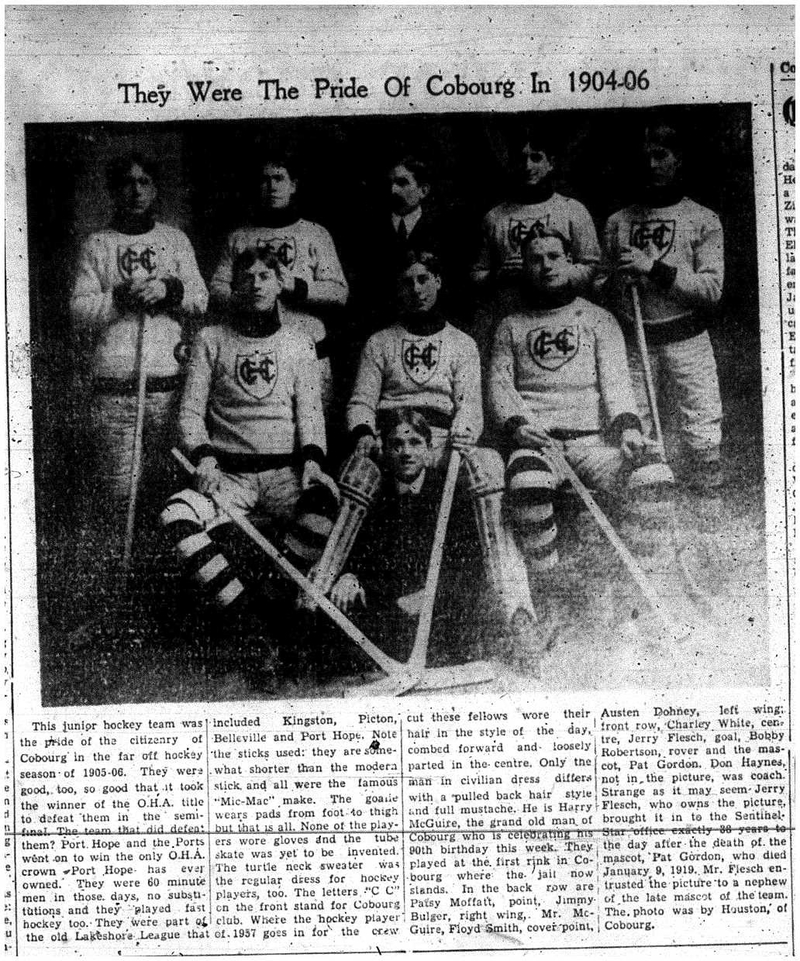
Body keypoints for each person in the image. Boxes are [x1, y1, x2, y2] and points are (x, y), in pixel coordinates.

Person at [319, 252, 540, 666]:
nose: (416, 289)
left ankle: (515, 610)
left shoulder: (461, 343)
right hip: (393, 440)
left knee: (488, 466)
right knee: (358, 471)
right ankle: (320, 595)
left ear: (438, 282)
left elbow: (469, 405)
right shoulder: (380, 341)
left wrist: (463, 432)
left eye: (424, 280)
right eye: (407, 282)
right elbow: (361, 402)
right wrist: (366, 434)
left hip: (440, 440)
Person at [160, 249, 338, 630]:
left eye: (265, 276)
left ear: (280, 283)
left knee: (326, 499)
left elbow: (310, 412)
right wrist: (205, 459)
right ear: (234, 287)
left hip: (283, 476)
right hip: (229, 478)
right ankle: (250, 622)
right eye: (246, 277)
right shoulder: (211, 339)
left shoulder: (297, 342)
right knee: (175, 514)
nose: (256, 284)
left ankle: (276, 596)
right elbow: (190, 412)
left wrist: (311, 463)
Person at [488, 229, 670, 579]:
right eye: (535, 259)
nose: (545, 266)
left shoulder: (598, 318)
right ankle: (550, 580)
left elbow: (617, 382)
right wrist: (518, 427)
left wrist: (629, 429)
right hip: (539, 444)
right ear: (523, 267)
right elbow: (499, 387)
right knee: (526, 482)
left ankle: (647, 579)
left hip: (594, 443)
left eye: (554, 257)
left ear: (570, 261)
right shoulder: (510, 326)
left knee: (653, 470)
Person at [69, 152, 208, 564]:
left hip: (167, 385)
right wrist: (119, 296)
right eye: (127, 182)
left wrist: (171, 289)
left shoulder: (175, 240)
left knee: (169, 489)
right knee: (120, 494)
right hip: (115, 392)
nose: (136, 190)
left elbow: (201, 298)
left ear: (156, 188)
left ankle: (165, 582)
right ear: (114, 190)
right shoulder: (98, 244)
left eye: (145, 181)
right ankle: (122, 584)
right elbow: (77, 309)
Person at [597, 122, 725, 495]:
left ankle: (711, 520)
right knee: (640, 436)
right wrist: (619, 282)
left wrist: (653, 268)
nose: (651, 165)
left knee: (702, 433)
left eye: (661, 155)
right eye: (645, 157)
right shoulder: (618, 222)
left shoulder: (702, 219)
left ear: (678, 159)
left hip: (688, 340)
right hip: (637, 343)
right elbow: (602, 285)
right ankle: (655, 527)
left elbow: (711, 289)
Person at [327, 410, 490, 666]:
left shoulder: (449, 494)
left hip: (436, 603)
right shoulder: (375, 494)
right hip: (392, 605)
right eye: (397, 444)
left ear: (428, 448)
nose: (406, 452)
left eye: (415, 443)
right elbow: (362, 554)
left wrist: (429, 596)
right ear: (385, 450)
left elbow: (468, 567)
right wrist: (350, 576)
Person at [209, 152, 349, 409]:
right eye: (265, 179)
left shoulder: (314, 234)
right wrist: (248, 295)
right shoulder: (240, 237)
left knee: (313, 427)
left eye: (279, 178)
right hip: (256, 351)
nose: (272, 186)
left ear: (293, 185)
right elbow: (217, 288)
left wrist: (296, 287)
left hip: (309, 348)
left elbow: (339, 291)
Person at [471, 128, 600, 354]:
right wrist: (498, 275)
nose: (527, 166)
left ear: (551, 162)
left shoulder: (572, 210)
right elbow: (476, 274)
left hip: (562, 320)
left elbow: (593, 267)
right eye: (520, 159)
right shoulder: (495, 217)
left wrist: (550, 273)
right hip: (512, 321)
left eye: (536, 157)